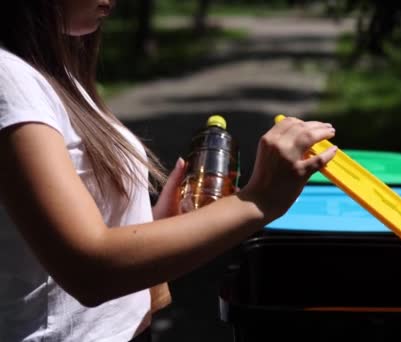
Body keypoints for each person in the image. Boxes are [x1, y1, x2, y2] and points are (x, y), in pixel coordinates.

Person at [0, 1, 338, 341]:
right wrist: (259, 198)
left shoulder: (45, 71)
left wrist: (156, 225)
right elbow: (88, 270)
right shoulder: (8, 79)